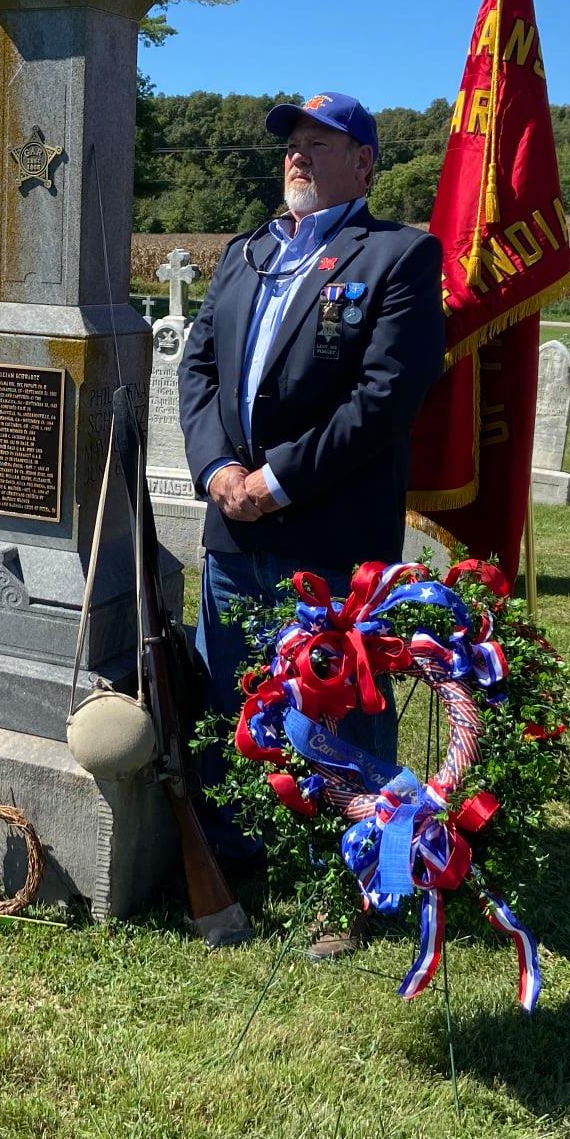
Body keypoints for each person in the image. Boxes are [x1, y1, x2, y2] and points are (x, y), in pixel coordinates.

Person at [177, 90, 446, 951]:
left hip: (330, 536)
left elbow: (384, 398)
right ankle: (236, 854)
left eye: (319, 143)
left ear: (363, 164)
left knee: (342, 715)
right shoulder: (246, 252)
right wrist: (219, 471)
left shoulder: (399, 256)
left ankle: (356, 883)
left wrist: (279, 480)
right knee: (232, 702)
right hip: (234, 530)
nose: (297, 154)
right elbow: (198, 368)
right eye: (292, 142)